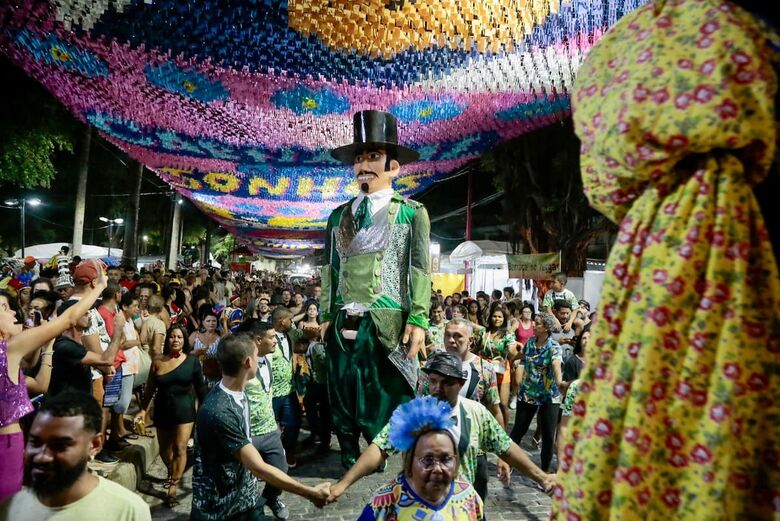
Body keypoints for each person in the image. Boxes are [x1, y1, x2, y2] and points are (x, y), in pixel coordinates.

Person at [321, 110, 432, 469]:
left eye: (372, 157)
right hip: (343, 318)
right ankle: (348, 448)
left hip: (386, 319)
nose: (363, 165)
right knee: (341, 388)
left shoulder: (412, 212)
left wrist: (418, 316)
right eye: (358, 159)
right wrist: (326, 313)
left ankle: (383, 449)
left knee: (384, 390)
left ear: (394, 167)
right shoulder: (338, 216)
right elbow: (330, 268)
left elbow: (419, 268)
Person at [328, 352, 555, 502]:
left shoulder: (476, 413)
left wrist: (542, 478)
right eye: (434, 381)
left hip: (461, 503)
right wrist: (343, 484)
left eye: (447, 383)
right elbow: (380, 448)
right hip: (419, 502)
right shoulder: (414, 413)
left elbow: (506, 448)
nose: (437, 388)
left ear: (461, 384)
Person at [190, 334, 330, 520]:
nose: (259, 360)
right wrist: (310, 492)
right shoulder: (219, 410)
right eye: (256, 356)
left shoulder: (238, 388)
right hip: (219, 510)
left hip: (245, 500)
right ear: (248, 362)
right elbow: (258, 467)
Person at [0, 260, 106, 502]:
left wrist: (43, 344)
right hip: (6, 445)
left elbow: (28, 368)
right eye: (5, 310)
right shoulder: (8, 350)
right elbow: (67, 320)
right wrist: (99, 287)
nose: (15, 312)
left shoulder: (10, 353)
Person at [0, 390, 151, 520]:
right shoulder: (12, 508)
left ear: (95, 445)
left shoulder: (128, 511)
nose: (42, 456)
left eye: (60, 445)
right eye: (35, 442)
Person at [417, 319, 507, 500]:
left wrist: (503, 456)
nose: (451, 340)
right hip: (437, 452)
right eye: (448, 335)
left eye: (458, 336)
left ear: (470, 341)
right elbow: (419, 406)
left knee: (475, 506)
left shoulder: (484, 369)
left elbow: (495, 410)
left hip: (474, 453)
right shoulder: (431, 368)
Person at [357, 396, 485, 520]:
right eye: (428, 460)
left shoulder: (469, 496)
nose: (438, 469)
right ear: (409, 462)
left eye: (446, 459)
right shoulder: (384, 504)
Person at [134, 324, 206, 506]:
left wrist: (205, 413)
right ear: (168, 340)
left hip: (185, 411)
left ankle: (173, 486)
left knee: (181, 448)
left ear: (184, 340)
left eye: (180, 337)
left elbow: (201, 390)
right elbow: (150, 389)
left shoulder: (192, 362)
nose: (176, 340)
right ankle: (171, 471)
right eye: (173, 337)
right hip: (162, 410)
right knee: (165, 450)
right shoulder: (157, 361)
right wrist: (142, 410)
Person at [240, 320, 291, 521]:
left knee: (281, 472)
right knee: (247, 480)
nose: (275, 340)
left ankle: (269, 499)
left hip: (270, 429)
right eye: (272, 337)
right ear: (258, 340)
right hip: (247, 433)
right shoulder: (242, 363)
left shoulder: (270, 356)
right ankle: (254, 513)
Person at [510, 312, 565, 472]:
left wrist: (560, 381)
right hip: (529, 393)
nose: (534, 325)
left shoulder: (554, 347)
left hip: (549, 395)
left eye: (538, 323)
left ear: (546, 328)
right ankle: (508, 462)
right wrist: (513, 360)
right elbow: (523, 355)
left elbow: (556, 365)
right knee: (519, 429)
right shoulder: (530, 343)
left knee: (548, 435)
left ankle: (545, 471)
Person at [474, 303, 517, 419]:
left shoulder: (507, 335)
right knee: (486, 403)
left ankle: (504, 433)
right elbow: (475, 349)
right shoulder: (483, 333)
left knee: (503, 404)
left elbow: (512, 350)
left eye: (500, 317)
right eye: (494, 316)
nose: (497, 319)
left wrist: (516, 354)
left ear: (504, 319)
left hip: (501, 370)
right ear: (490, 317)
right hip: (484, 370)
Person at [190, 307, 221, 388]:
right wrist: (196, 352)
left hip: (215, 376)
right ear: (203, 322)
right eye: (208, 321)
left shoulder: (221, 337)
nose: (211, 323)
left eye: (214, 321)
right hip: (197, 376)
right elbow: (184, 354)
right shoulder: (195, 335)